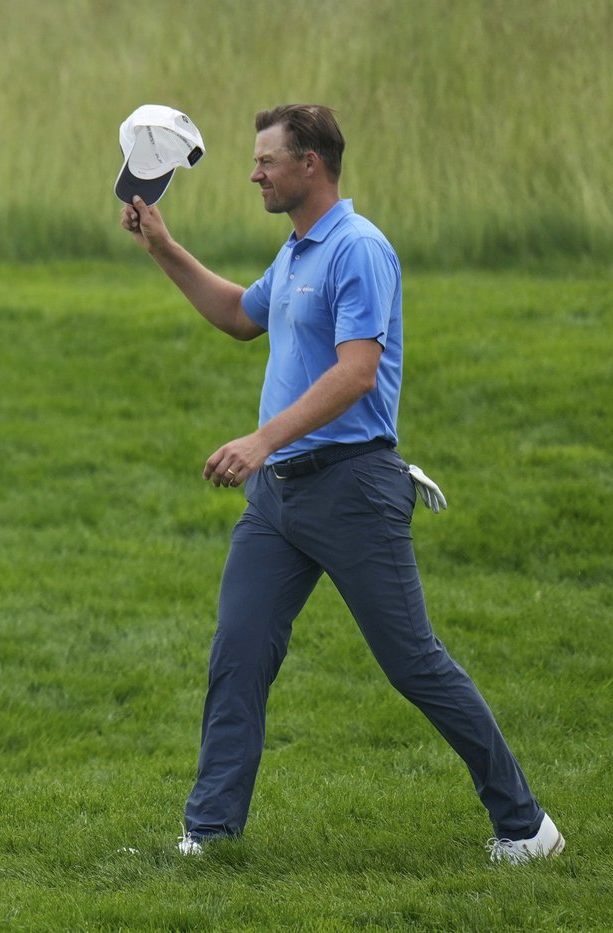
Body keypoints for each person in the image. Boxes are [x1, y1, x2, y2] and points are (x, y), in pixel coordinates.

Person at [119, 104, 564, 864]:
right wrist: (164, 247)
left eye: (266, 160)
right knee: (239, 651)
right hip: (280, 501)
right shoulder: (296, 254)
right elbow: (237, 315)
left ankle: (528, 827)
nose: (253, 172)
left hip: (353, 489)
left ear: (310, 165)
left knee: (414, 664)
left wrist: (260, 439)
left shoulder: (358, 249)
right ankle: (212, 832)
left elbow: (357, 372)